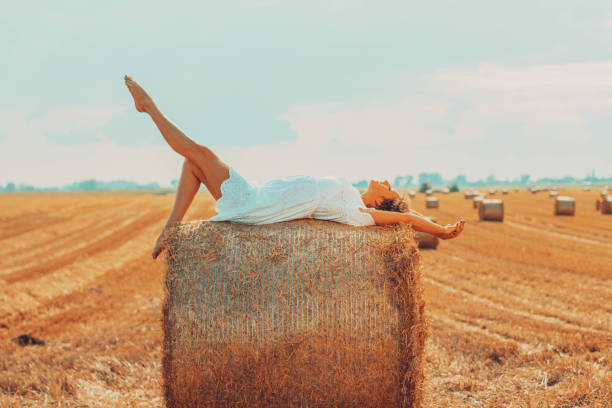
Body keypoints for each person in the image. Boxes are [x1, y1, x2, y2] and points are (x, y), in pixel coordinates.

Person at [124, 76, 465, 259]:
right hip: (260, 194)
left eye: (390, 191)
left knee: (200, 153)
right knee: (193, 162)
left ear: (380, 204)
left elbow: (405, 218)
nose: (388, 182)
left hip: (257, 203)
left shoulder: (359, 214)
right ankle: (171, 227)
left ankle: (150, 109)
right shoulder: (350, 196)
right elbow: (402, 210)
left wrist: (440, 230)